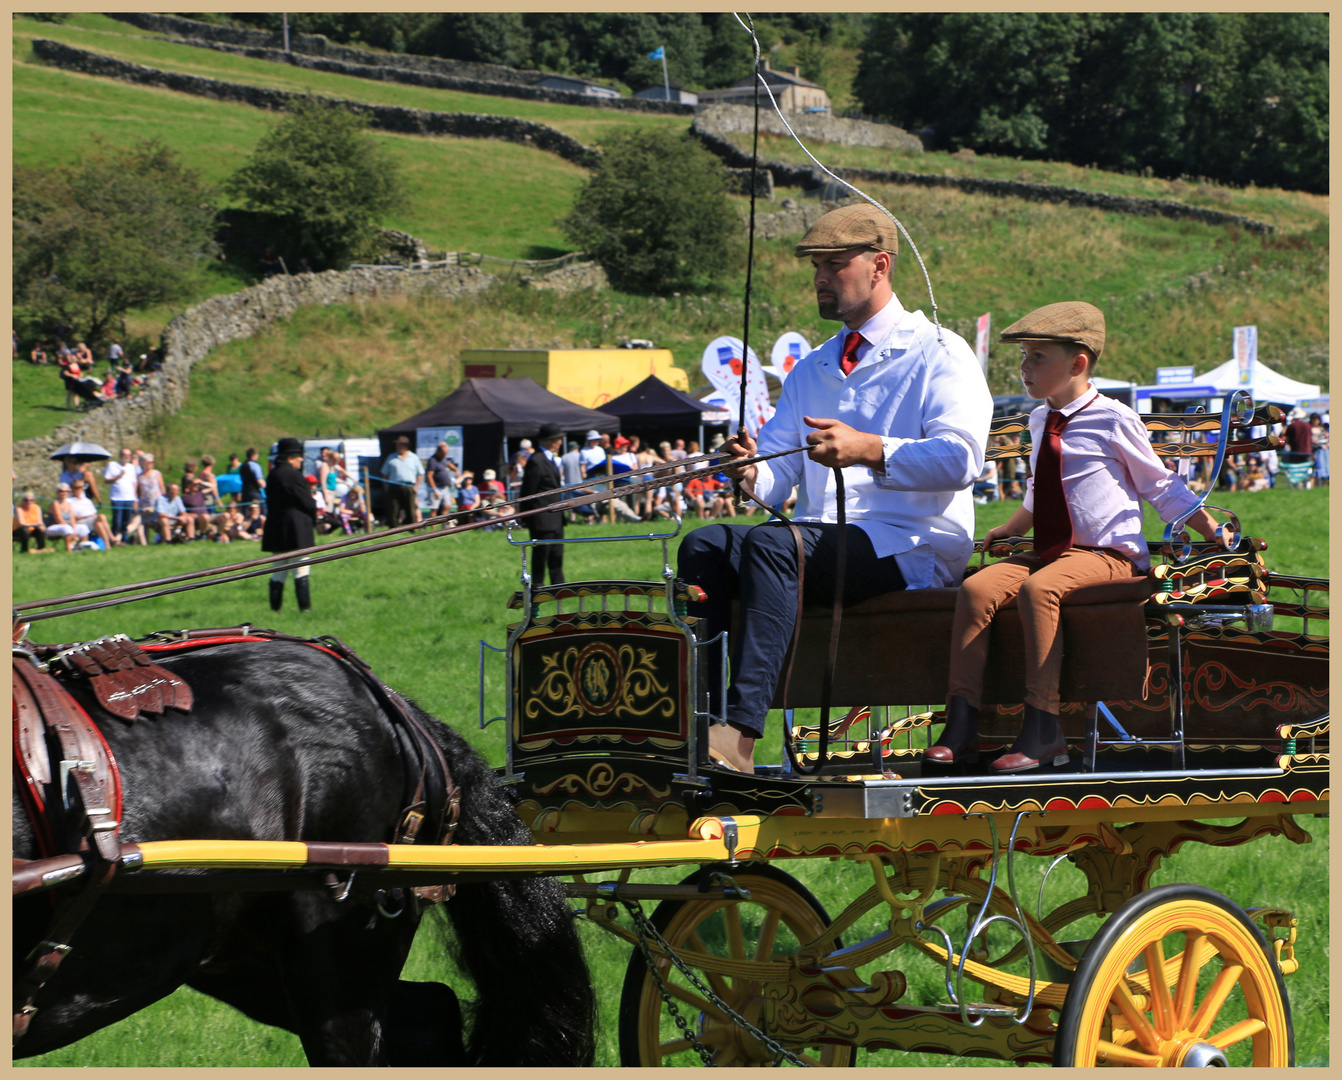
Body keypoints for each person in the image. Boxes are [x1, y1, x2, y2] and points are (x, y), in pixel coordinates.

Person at [677, 201, 992, 773]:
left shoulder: (941, 352)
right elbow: (776, 475)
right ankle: (701, 723)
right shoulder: (813, 368)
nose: (820, 279)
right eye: (816, 267)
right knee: (704, 544)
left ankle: (742, 734)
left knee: (777, 545)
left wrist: (868, 449)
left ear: (880, 265)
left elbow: (963, 459)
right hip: (826, 542)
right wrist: (750, 470)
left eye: (833, 264)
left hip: (913, 544)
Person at [930, 302, 1231, 774]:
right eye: (1024, 357)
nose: (1025, 368)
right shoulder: (1037, 420)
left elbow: (1158, 485)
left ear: (1078, 364)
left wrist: (1214, 530)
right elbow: (1040, 490)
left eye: (1037, 357)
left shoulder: (1113, 419)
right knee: (976, 589)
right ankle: (963, 723)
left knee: (1038, 590)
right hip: (1052, 552)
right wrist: (1012, 528)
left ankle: (1043, 726)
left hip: (1107, 554)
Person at [262, 436, 318, 612]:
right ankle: (305, 610)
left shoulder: (272, 475)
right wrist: (315, 519)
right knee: (301, 571)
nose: (301, 460)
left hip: (276, 528)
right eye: (299, 456)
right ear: (290, 457)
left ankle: (275, 610)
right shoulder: (294, 476)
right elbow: (307, 503)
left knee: (278, 571)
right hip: (297, 528)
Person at [520, 422, 567, 585]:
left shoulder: (550, 459)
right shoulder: (536, 461)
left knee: (557, 557)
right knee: (541, 557)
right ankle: (538, 590)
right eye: (558, 439)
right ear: (549, 441)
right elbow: (528, 491)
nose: (560, 442)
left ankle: (559, 588)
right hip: (542, 519)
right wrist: (526, 516)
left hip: (556, 516)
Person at [381, 436, 423, 527]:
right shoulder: (391, 457)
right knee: (394, 508)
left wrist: (416, 486)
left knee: (411, 508)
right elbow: (384, 473)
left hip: (409, 486)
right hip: (394, 486)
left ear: (405, 446)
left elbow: (420, 473)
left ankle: (412, 528)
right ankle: (393, 528)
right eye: (397, 445)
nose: (398, 446)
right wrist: (386, 486)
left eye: (400, 445)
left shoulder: (414, 458)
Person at [104, 447, 140, 543]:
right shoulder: (112, 465)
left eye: (129, 455)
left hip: (129, 498)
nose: (127, 457)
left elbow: (134, 483)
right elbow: (107, 480)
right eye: (125, 455)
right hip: (117, 498)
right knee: (117, 522)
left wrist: (135, 498)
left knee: (126, 521)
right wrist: (119, 476)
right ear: (120, 456)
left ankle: (124, 539)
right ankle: (114, 539)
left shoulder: (131, 467)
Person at [68, 479, 115, 548]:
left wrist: (91, 516)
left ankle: (108, 546)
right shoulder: (69, 501)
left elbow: (94, 513)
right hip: (80, 522)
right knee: (101, 517)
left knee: (99, 524)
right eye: (76, 488)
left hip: (92, 521)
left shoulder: (87, 500)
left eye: (80, 488)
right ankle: (112, 539)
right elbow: (72, 517)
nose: (79, 490)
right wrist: (86, 517)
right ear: (72, 489)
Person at [46, 483, 89, 551]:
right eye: (61, 491)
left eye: (66, 491)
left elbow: (72, 518)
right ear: (57, 492)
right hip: (54, 526)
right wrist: (72, 530)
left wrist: (74, 528)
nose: (64, 493)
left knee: (83, 528)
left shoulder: (69, 504)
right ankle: (69, 549)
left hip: (67, 526)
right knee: (67, 528)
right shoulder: (55, 503)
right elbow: (59, 519)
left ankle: (82, 548)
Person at [425, 442, 458, 516]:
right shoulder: (432, 461)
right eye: (443, 453)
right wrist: (435, 490)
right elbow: (429, 476)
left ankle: (444, 525)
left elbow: (448, 463)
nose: (444, 455)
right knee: (434, 509)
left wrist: (455, 469)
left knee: (447, 506)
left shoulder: (443, 458)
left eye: (446, 453)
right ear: (438, 451)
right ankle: (432, 526)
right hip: (436, 488)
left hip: (445, 488)